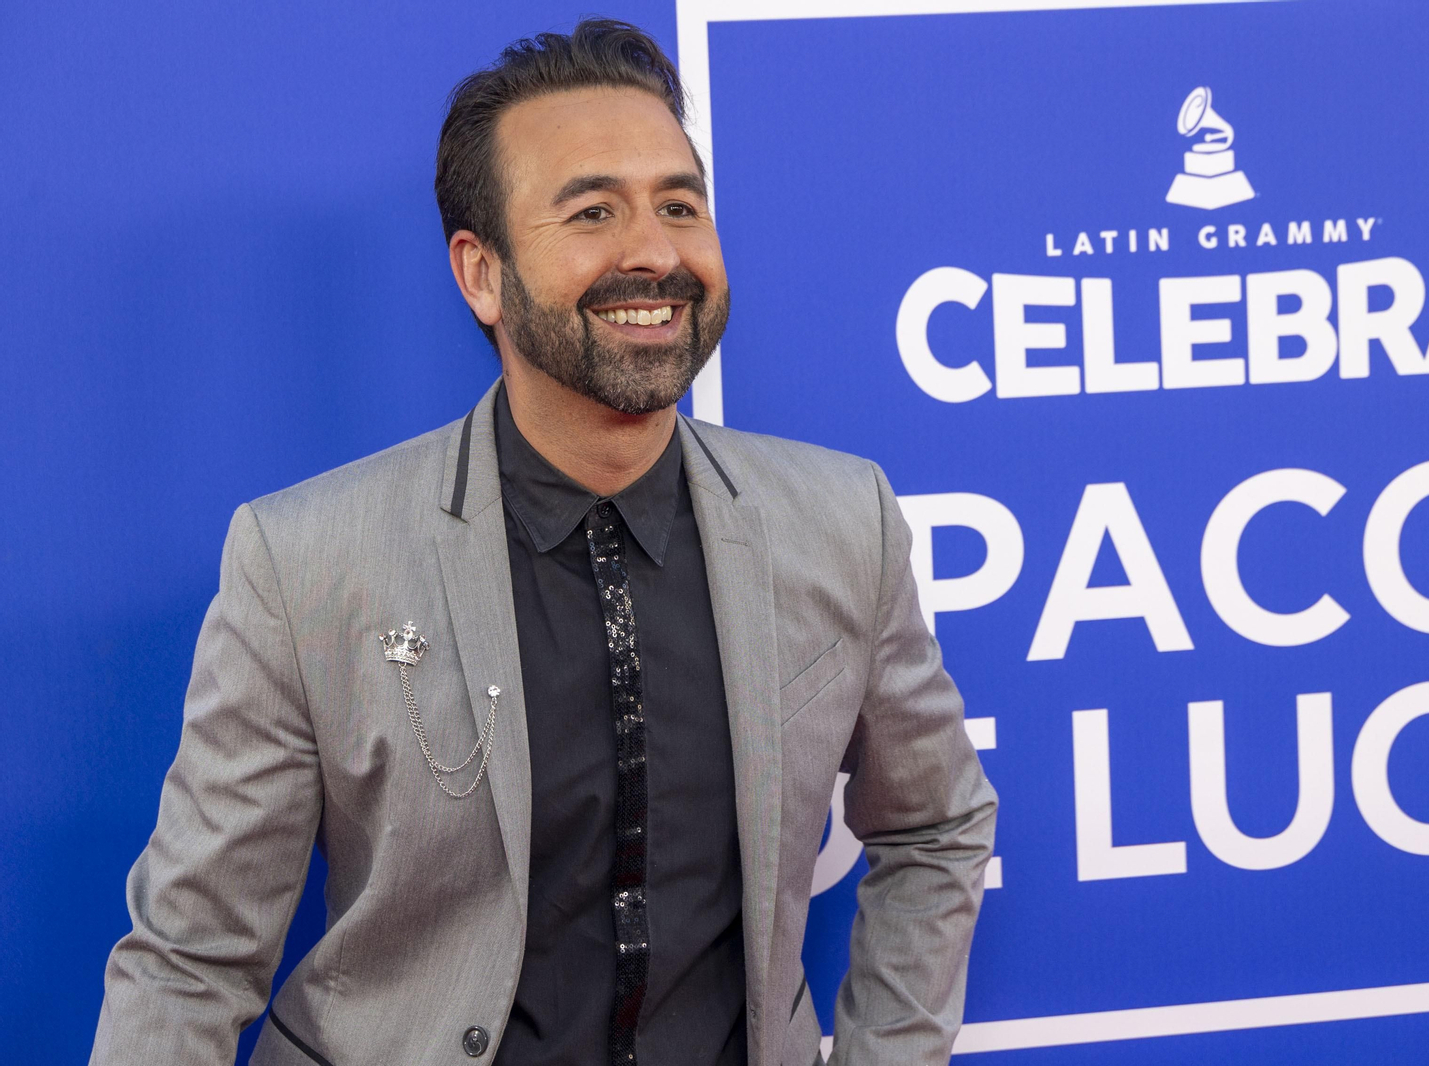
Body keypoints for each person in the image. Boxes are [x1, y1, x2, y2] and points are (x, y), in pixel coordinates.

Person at [90, 19, 995, 1066]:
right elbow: (191, 957)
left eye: (678, 206)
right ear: (482, 274)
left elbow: (934, 826)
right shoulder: (305, 561)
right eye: (592, 212)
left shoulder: (842, 521)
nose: (653, 251)